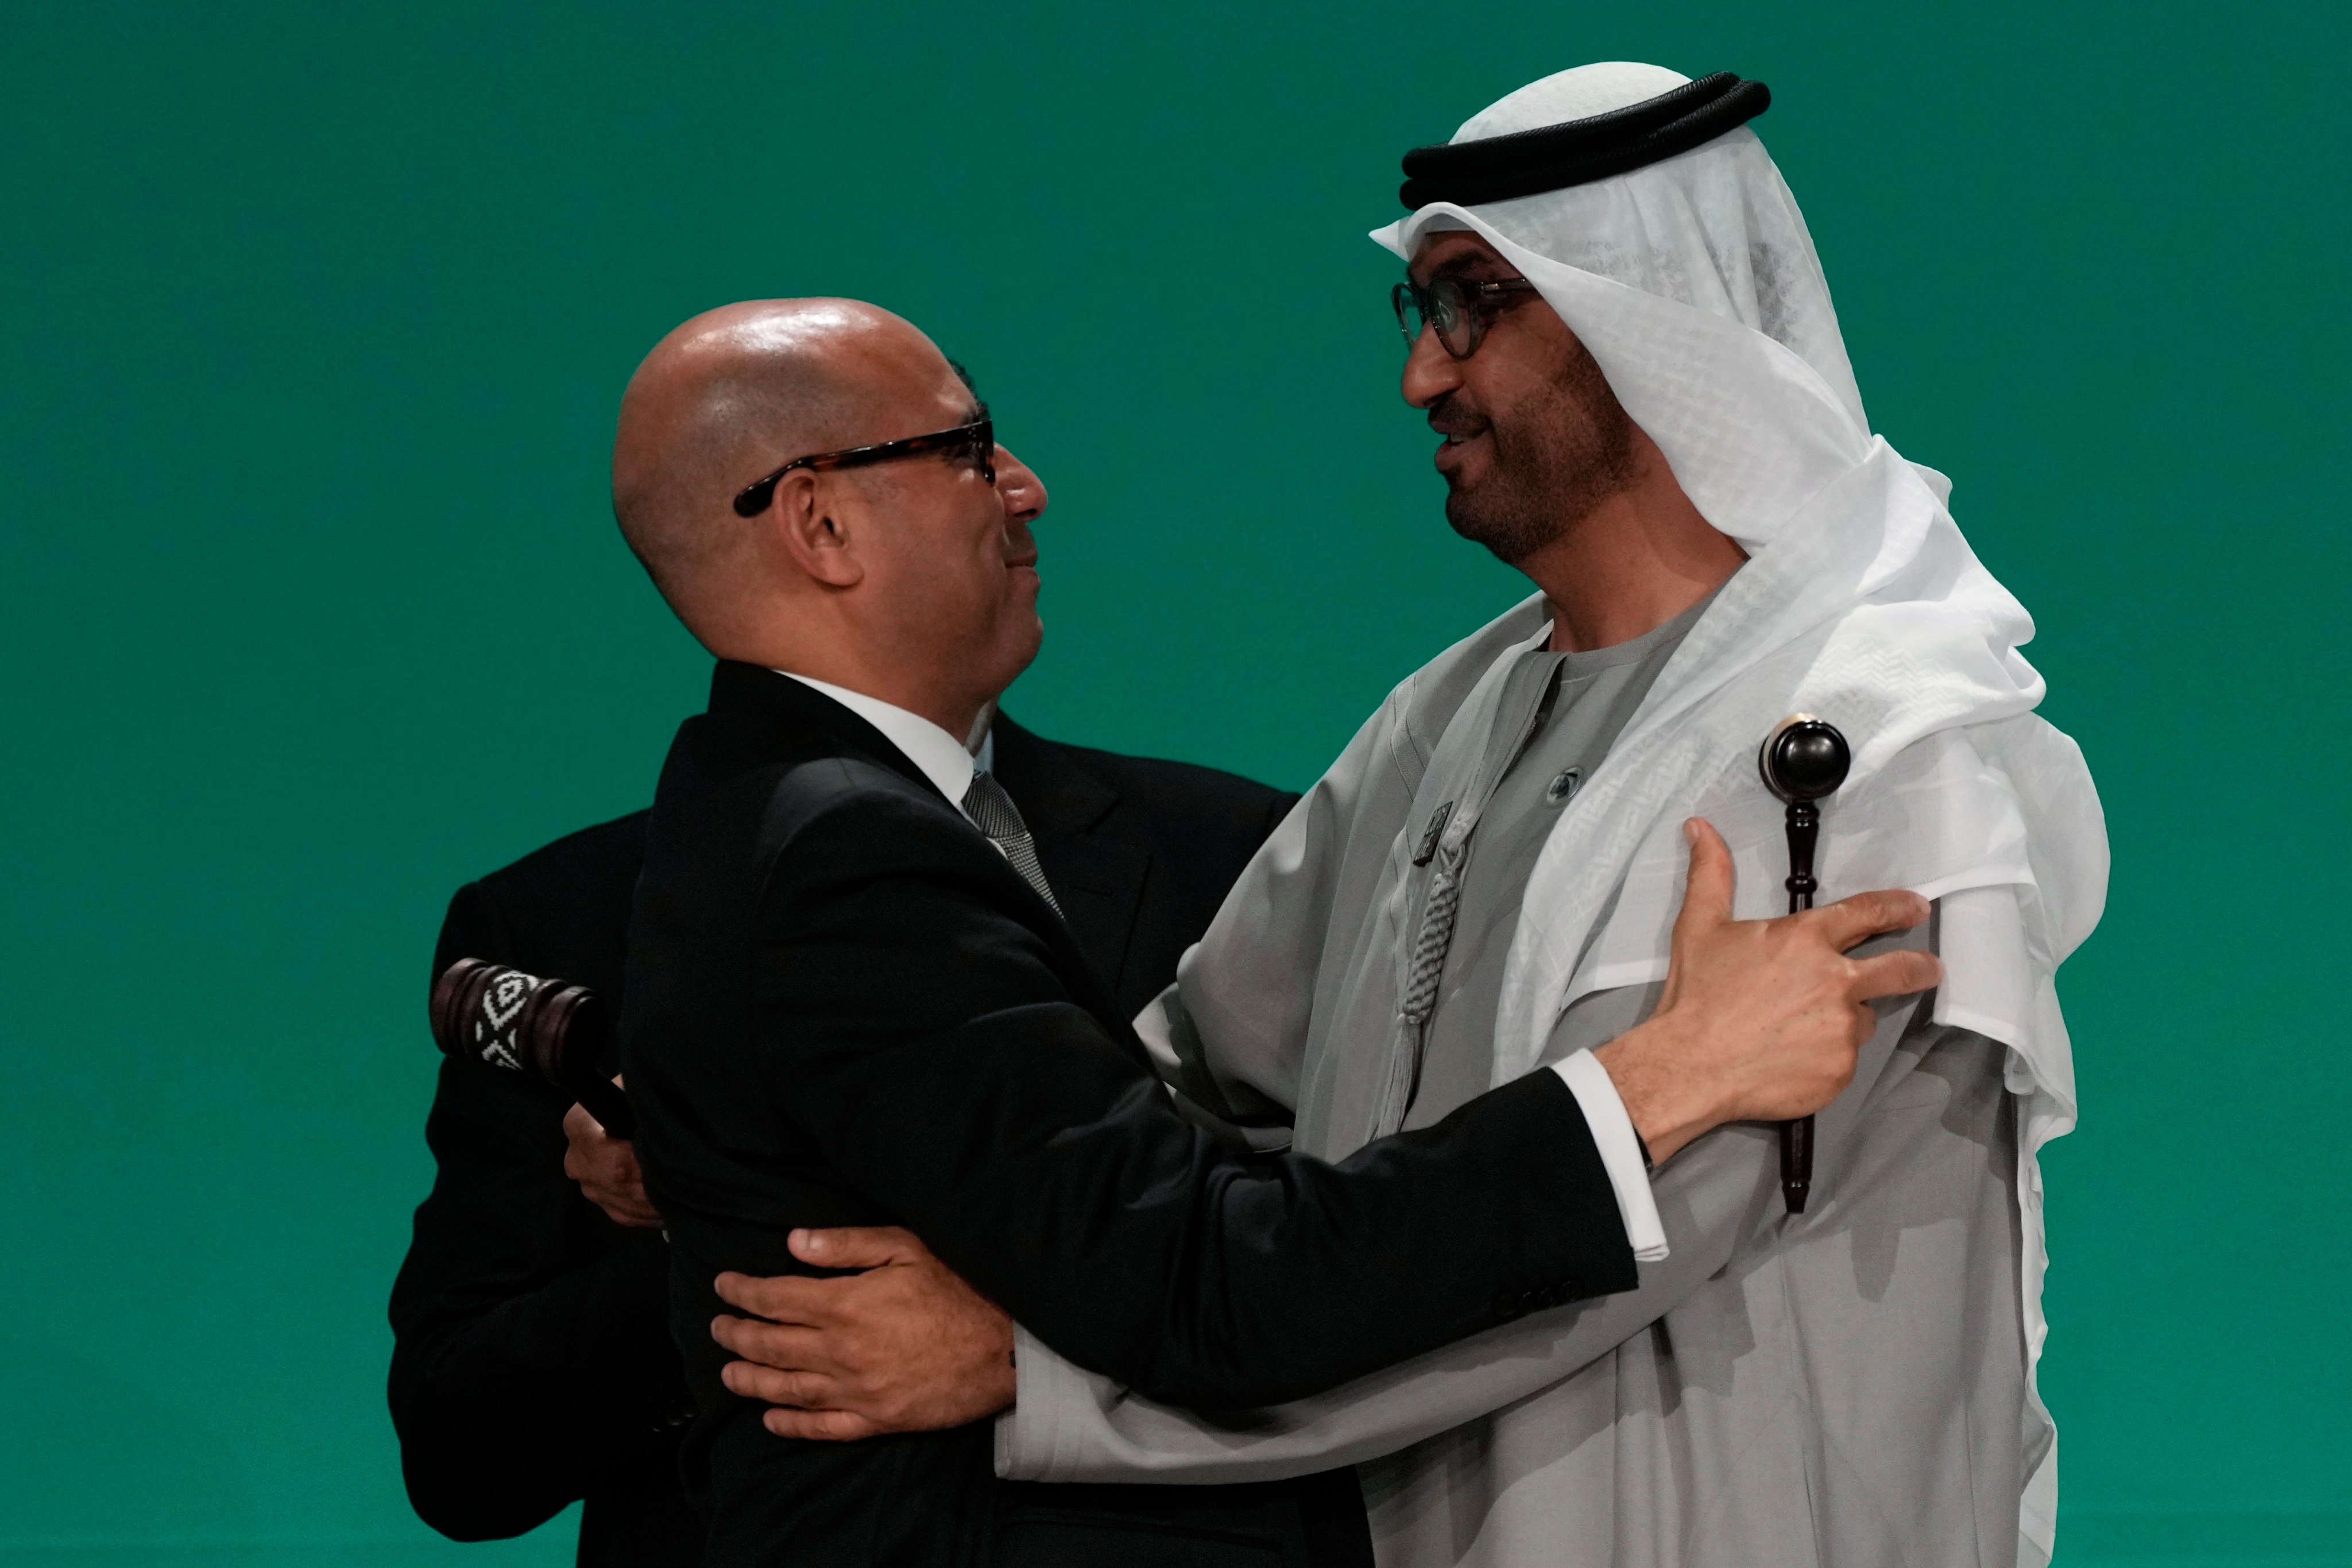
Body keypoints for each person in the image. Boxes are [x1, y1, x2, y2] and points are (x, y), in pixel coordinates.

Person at [707, 64, 2108, 1568]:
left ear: (1649, 317)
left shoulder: (1878, 749)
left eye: (1472, 305)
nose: (1422, 379)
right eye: (1419, 313)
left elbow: (1583, 1274)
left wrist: (1038, 1373)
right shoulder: (1448, 720)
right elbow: (1192, 1081)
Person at [385, 437, 1305, 1565]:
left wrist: (1018, 1340)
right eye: (972, 451)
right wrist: (738, 1234)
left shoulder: (1233, 859)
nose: (1029, 488)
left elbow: (1314, 1235)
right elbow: (458, 1449)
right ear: (817, 523)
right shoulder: (566, 921)